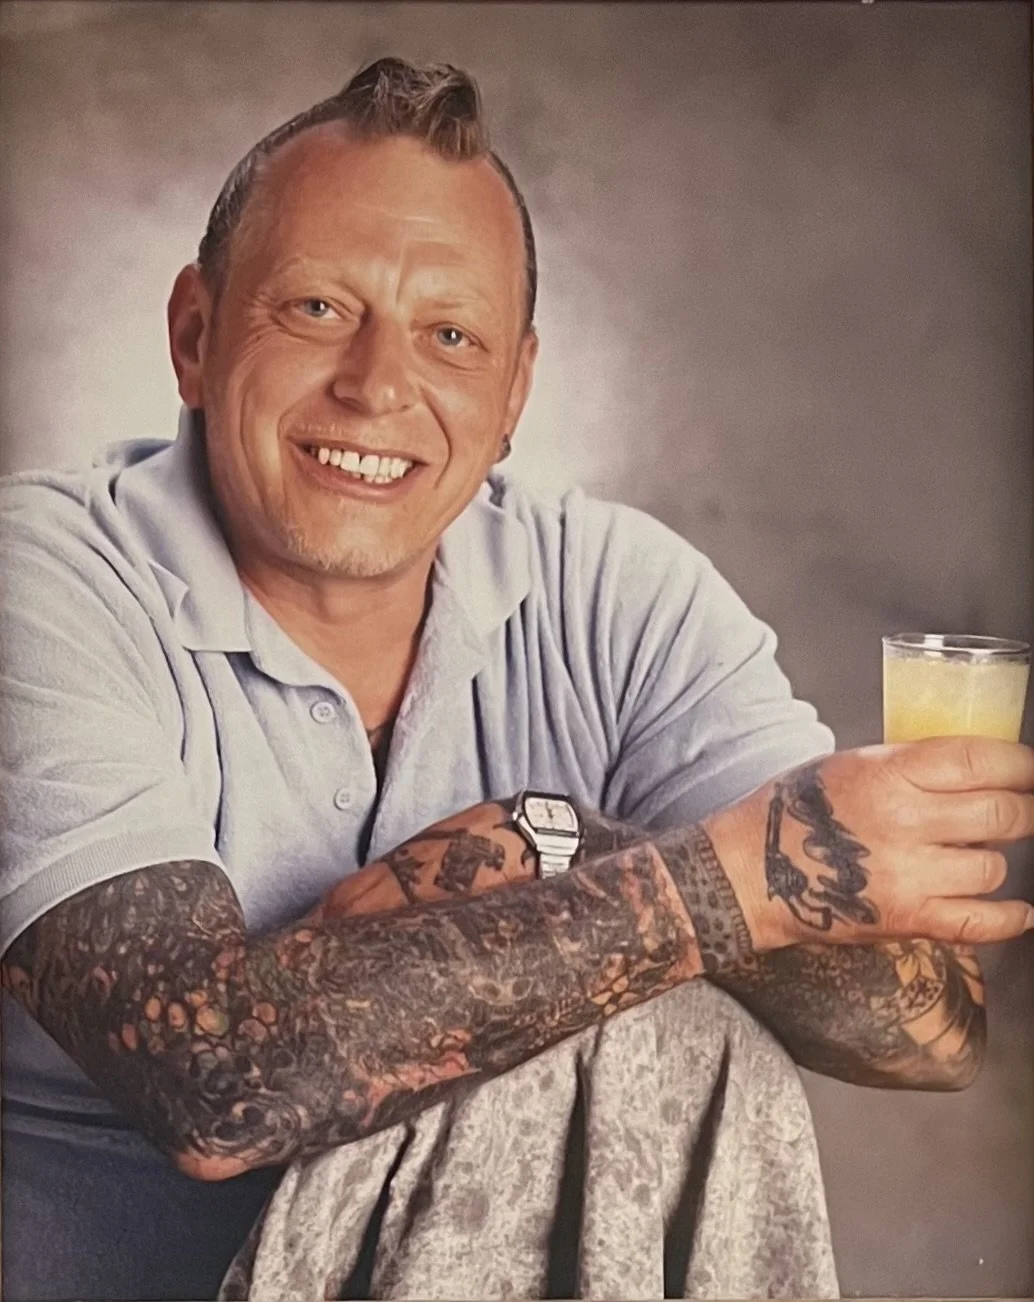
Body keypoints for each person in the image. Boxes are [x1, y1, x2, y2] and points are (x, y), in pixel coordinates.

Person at [2, 56, 1032, 1302]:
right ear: (194, 333)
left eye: (449, 336)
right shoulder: (42, 581)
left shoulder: (619, 591)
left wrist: (552, 844)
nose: (377, 388)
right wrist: (716, 881)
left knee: (673, 1035)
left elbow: (925, 1035)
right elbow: (216, 1083)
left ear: (512, 395)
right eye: (317, 309)